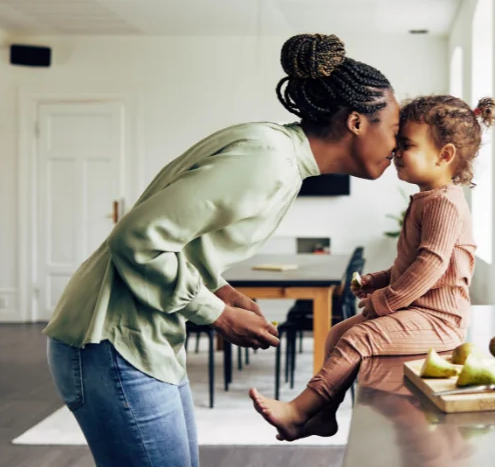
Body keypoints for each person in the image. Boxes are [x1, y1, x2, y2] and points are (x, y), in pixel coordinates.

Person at [42, 33, 401, 467]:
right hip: (112, 340)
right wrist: (216, 314)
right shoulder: (267, 160)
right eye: (396, 130)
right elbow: (136, 239)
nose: (398, 147)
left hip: (141, 339)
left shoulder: (278, 155)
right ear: (357, 122)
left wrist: (223, 291)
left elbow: (183, 240)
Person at [249, 94, 495, 442]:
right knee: (337, 333)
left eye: (407, 145)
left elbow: (431, 265)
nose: (396, 152)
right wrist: (380, 279)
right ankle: (324, 416)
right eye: (397, 144)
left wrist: (387, 300)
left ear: (444, 156)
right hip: (417, 311)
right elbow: (415, 262)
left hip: (440, 320)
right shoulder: (427, 199)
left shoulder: (444, 204)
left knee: (358, 338)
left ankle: (299, 411)